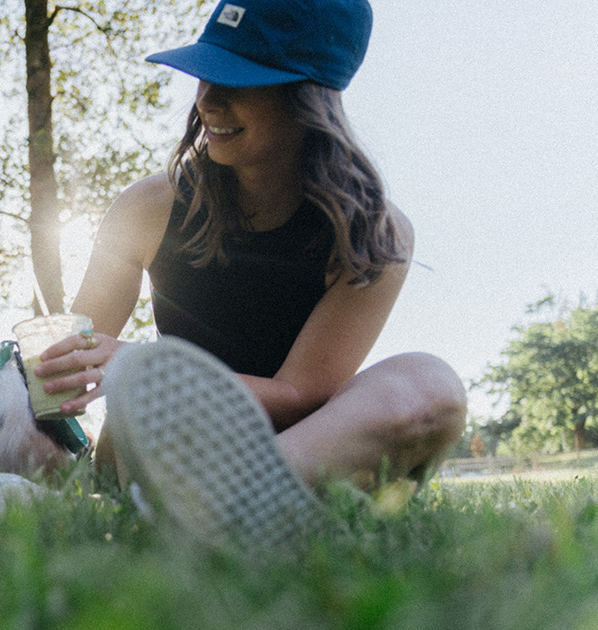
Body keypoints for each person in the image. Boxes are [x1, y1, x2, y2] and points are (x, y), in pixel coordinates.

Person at [32, 0, 467, 545]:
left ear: (309, 97)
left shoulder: (374, 233)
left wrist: (145, 362)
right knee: (128, 412)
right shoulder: (148, 207)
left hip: (302, 446)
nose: (209, 100)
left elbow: (301, 392)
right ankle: (229, 513)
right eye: (206, 74)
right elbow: (68, 361)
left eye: (238, 80)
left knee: (432, 385)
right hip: (169, 445)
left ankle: (226, 506)